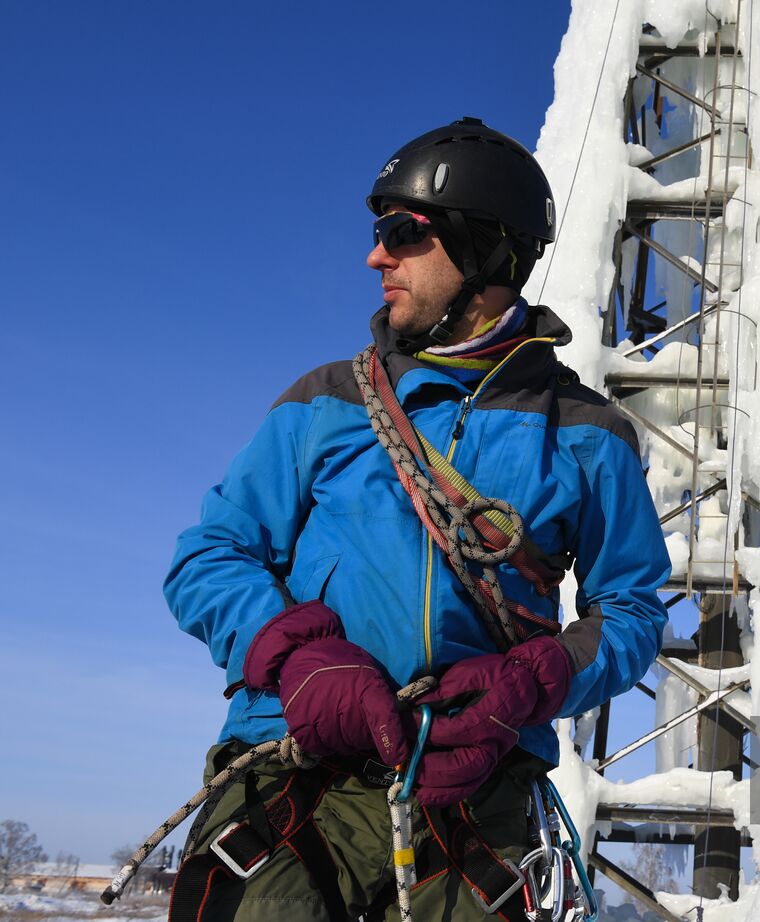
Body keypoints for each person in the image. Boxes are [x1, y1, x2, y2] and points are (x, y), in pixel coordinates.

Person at [162, 117, 671, 921]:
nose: (376, 258)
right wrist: (301, 660)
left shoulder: (589, 435)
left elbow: (633, 610)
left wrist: (535, 682)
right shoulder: (325, 402)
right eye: (379, 234)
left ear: (485, 252)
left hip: (480, 782)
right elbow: (210, 557)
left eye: (403, 234)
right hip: (297, 769)